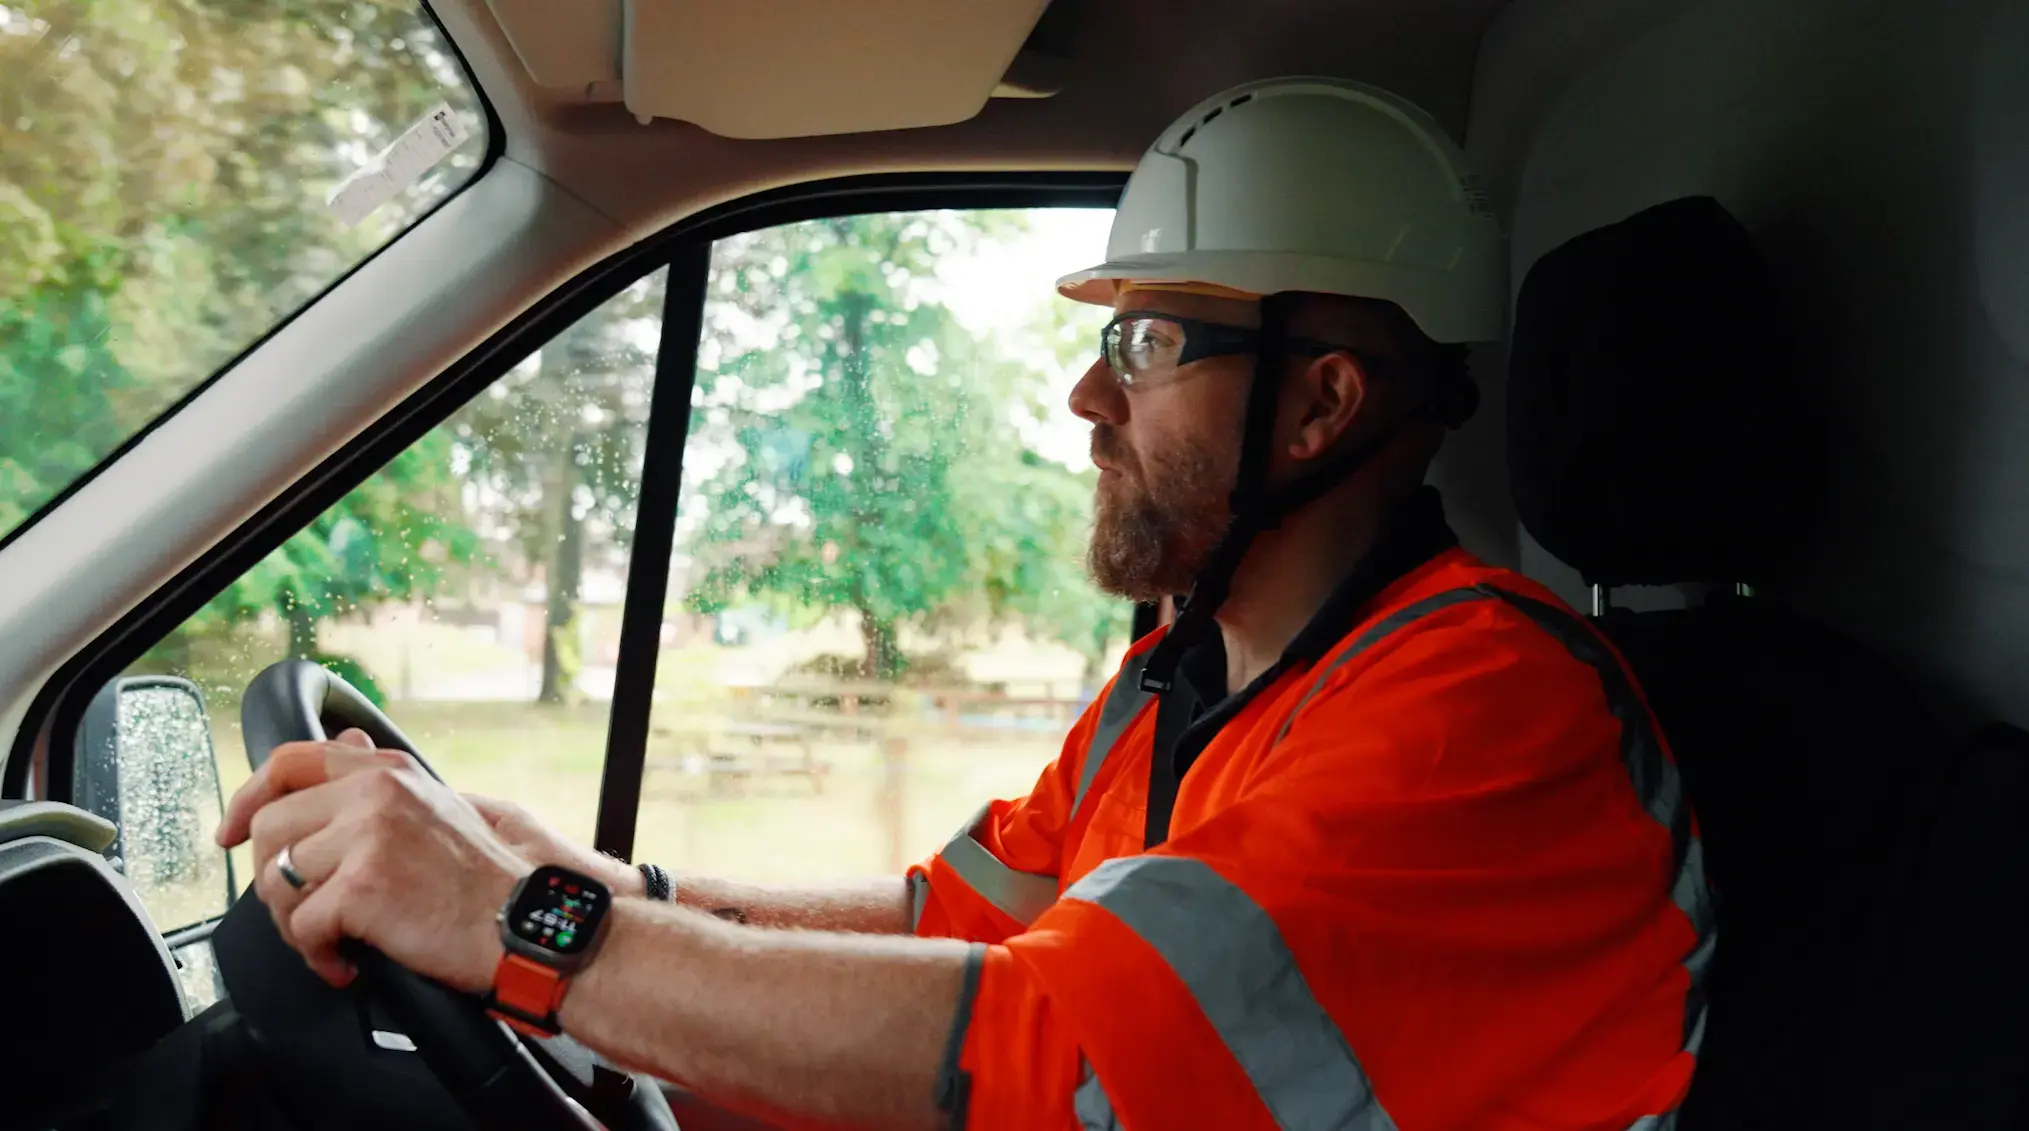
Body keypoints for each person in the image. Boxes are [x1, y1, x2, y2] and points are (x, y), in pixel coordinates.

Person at [219, 77, 1712, 1131]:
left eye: (1145, 343)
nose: (1085, 395)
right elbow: (964, 919)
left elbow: (1048, 1050)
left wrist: (515, 920)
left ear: (1321, 405)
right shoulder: (1188, 678)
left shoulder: (1485, 711)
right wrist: (596, 879)